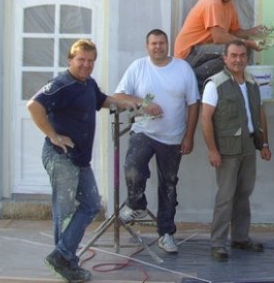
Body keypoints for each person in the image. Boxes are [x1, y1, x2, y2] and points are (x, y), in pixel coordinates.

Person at [27, 39, 136, 283]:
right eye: (81, 60)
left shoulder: (88, 84)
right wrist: (53, 135)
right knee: (64, 212)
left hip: (79, 158)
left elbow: (103, 100)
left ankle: (62, 256)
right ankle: (66, 263)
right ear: (70, 61)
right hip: (61, 157)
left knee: (91, 204)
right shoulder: (61, 84)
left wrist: (132, 103)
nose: (86, 65)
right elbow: (34, 106)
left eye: (90, 61)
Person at [113, 29, 199, 254]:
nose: (158, 47)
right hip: (144, 131)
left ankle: (166, 234)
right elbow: (119, 96)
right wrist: (143, 104)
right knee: (133, 166)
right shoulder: (138, 67)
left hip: (173, 137)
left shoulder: (182, 68)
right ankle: (137, 205)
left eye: (162, 43)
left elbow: (193, 104)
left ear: (167, 44)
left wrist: (189, 136)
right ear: (147, 46)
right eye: (153, 43)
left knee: (168, 186)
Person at [200, 39, 272, 262]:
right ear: (225, 58)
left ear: (247, 58)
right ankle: (218, 244)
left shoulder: (252, 83)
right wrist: (213, 150)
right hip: (227, 151)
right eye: (233, 55)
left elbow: (259, 114)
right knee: (225, 197)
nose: (238, 59)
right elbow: (206, 119)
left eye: (242, 55)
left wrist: (265, 144)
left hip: (249, 147)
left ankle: (240, 238)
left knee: (243, 195)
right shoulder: (215, 84)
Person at [174, 0, 267, 89]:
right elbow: (219, 37)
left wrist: (253, 31)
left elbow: (233, 32)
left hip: (201, 51)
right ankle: (192, 80)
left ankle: (218, 85)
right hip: (188, 54)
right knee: (235, 51)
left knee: (237, 50)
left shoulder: (229, 4)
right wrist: (249, 43)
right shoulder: (212, 1)